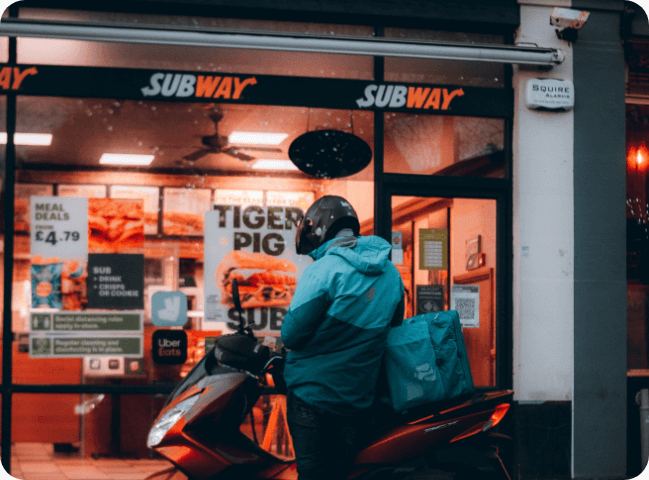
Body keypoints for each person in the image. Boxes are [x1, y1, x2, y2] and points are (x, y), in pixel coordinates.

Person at [281, 195, 405, 480]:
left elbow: (291, 335)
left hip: (312, 395)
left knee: (313, 473)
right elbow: (394, 331)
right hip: (359, 398)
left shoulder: (322, 271)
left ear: (321, 230)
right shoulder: (391, 274)